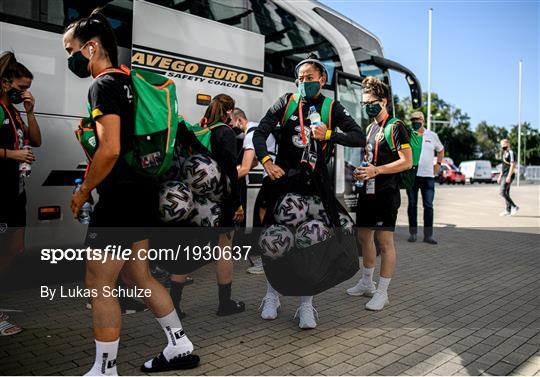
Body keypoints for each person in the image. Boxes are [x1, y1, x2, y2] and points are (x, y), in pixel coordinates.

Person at [63, 9, 199, 374]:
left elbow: (109, 149)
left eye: (71, 50)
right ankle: (179, 344)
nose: (70, 58)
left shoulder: (103, 84)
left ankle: (105, 369)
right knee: (137, 275)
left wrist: (83, 192)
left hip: (120, 198)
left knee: (98, 281)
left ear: (91, 48)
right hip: (141, 191)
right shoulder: (129, 80)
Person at [253, 53, 364, 329]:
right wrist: (267, 162)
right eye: (300, 79)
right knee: (275, 240)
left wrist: (328, 135)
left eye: (310, 79)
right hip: (283, 187)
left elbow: (358, 136)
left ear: (322, 79)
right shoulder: (287, 102)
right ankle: (271, 296)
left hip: (315, 188)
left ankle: (306, 306)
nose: (304, 83)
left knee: (310, 243)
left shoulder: (331, 107)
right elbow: (259, 132)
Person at [168, 94, 246, 318]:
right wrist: (237, 204)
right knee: (224, 249)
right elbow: (230, 171)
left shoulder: (200, 131)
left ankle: (173, 306)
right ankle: (225, 304)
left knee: (184, 250)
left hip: (193, 201)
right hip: (219, 201)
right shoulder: (225, 133)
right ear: (229, 111)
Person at [346, 76, 412, 311]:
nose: (367, 107)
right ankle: (366, 283)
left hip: (386, 193)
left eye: (371, 102)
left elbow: (406, 162)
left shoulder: (396, 126)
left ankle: (382, 293)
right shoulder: (370, 127)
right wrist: (363, 172)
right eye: (364, 103)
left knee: (384, 242)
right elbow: (371, 159)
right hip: (368, 192)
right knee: (364, 238)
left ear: (383, 101)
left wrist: (377, 170)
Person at [0, 51, 41, 336]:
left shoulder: (14, 111)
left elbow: (35, 140)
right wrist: (11, 153)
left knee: (13, 250)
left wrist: (29, 111)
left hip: (16, 191)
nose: (24, 92)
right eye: (21, 87)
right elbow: (15, 150)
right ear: (4, 83)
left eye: (27, 88)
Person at [232, 108, 277, 275]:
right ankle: (270, 257)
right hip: (277, 174)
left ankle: (265, 260)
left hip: (272, 175)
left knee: (262, 218)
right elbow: (252, 163)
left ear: (239, 121)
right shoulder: (258, 128)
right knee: (266, 216)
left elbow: (244, 169)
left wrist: (224, 176)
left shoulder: (251, 134)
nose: (231, 126)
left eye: (231, 123)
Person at [406, 111, 444, 244]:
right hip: (412, 175)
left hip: (428, 176)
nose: (415, 122)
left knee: (428, 206)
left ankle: (428, 236)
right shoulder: (409, 134)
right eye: (413, 120)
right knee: (412, 205)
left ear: (423, 121)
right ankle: (413, 233)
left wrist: (438, 165)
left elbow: (441, 150)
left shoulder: (432, 136)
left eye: (417, 119)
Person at [498, 139, 519, 216]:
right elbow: (503, 166)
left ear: (508, 144)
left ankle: (514, 206)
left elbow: (512, 165)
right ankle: (508, 210)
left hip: (508, 175)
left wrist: (509, 176)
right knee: (506, 192)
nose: (503, 146)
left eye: (504, 144)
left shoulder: (511, 153)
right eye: (501, 145)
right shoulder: (504, 153)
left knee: (502, 192)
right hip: (504, 174)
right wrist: (500, 176)